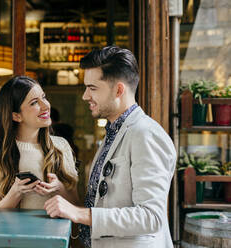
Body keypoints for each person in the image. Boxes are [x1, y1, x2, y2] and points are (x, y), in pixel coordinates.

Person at [44, 46, 176, 248]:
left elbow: (151, 217)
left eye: (92, 88)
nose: (85, 96)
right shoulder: (114, 132)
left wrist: (78, 213)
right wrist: (66, 194)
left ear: (119, 90)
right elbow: (103, 205)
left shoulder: (145, 134)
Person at [0, 76, 79, 209]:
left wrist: (59, 188)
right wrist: (15, 192)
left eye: (44, 97)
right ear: (16, 116)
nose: (46, 106)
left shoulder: (61, 146)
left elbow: (76, 205)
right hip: (14, 231)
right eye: (34, 102)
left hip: (53, 230)